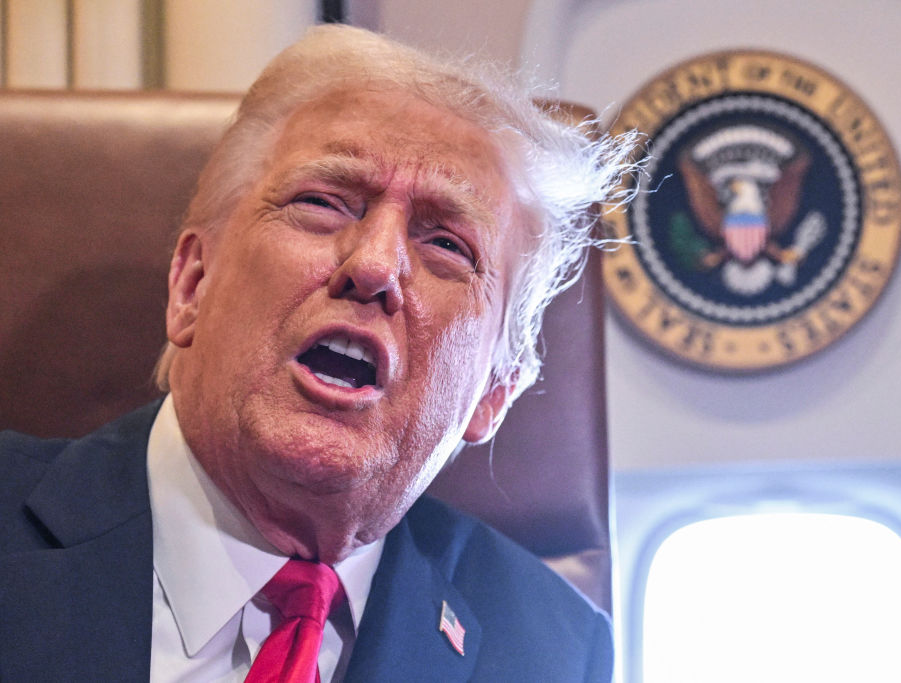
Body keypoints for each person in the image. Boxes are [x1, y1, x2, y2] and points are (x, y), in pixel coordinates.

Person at [0, 24, 637, 682]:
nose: (374, 265)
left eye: (448, 244)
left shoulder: (553, 650)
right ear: (192, 284)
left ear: (493, 394)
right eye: (322, 203)